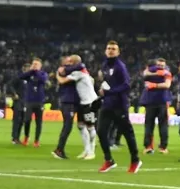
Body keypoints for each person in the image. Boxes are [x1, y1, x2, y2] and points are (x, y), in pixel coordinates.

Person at [96, 41, 141, 173]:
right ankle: (108, 160)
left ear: (118, 52)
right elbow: (108, 83)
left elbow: (126, 85)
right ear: (105, 51)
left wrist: (109, 92)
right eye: (109, 48)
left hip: (119, 105)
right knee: (101, 131)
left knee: (127, 133)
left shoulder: (120, 66)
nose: (111, 50)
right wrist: (103, 91)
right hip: (107, 104)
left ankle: (135, 160)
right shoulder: (104, 65)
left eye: (113, 49)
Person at [57, 55, 100, 160]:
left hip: (90, 103)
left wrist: (57, 75)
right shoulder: (82, 72)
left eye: (70, 61)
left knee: (90, 127)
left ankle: (92, 151)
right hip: (83, 103)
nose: (68, 63)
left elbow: (62, 81)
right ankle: (86, 150)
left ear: (74, 62)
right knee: (81, 126)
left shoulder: (78, 72)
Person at [53, 56, 83, 159]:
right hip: (68, 102)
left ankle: (88, 149)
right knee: (67, 126)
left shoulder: (70, 70)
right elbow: (80, 66)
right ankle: (59, 149)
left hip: (74, 102)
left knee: (76, 125)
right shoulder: (64, 69)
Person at [141, 58, 173, 155]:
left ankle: (154, 147)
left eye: (162, 66)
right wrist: (156, 74)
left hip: (159, 102)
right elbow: (145, 74)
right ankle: (155, 147)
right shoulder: (162, 73)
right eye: (159, 65)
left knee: (153, 125)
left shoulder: (165, 73)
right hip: (155, 102)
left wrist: (153, 85)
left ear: (165, 65)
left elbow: (167, 85)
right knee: (157, 125)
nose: (160, 67)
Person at [20, 59, 49, 147]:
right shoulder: (29, 74)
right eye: (33, 64)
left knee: (38, 122)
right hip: (29, 101)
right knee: (27, 120)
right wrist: (31, 71)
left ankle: (36, 140)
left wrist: (36, 71)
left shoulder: (43, 74)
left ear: (40, 66)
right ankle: (26, 137)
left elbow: (43, 80)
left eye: (37, 64)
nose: (35, 65)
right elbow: (21, 77)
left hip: (39, 101)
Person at [10, 64, 29, 144]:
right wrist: (14, 94)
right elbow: (10, 85)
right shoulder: (19, 77)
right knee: (16, 120)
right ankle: (14, 138)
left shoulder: (29, 78)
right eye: (28, 68)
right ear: (24, 68)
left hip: (25, 102)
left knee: (22, 121)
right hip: (18, 101)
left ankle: (17, 138)